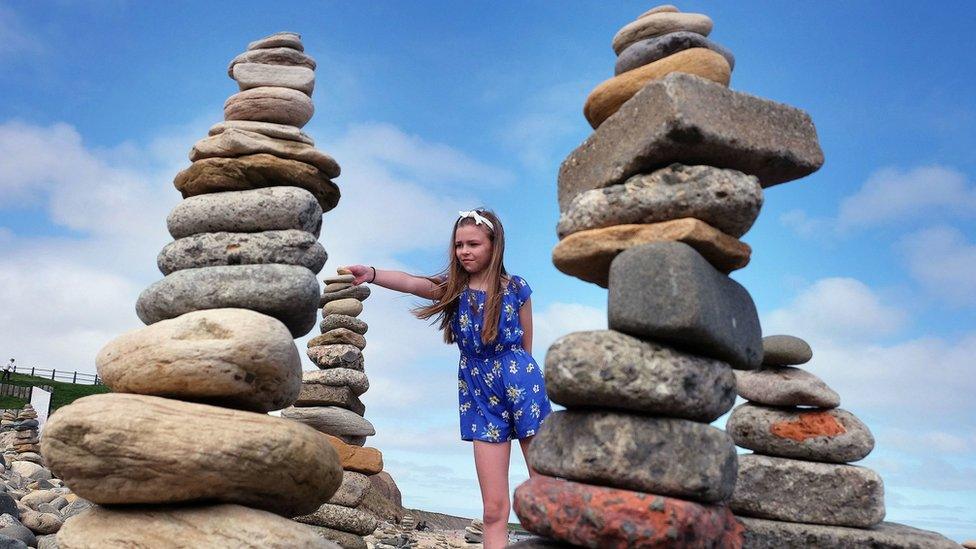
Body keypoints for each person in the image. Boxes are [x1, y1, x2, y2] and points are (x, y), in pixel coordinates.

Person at [345, 209, 552, 549]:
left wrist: (528, 385)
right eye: (459, 245)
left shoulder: (517, 288)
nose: (464, 251)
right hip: (478, 392)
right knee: (493, 508)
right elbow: (411, 282)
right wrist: (371, 273)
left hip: (522, 383)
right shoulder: (453, 290)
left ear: (494, 245)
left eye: (473, 244)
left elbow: (526, 349)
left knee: (547, 490)